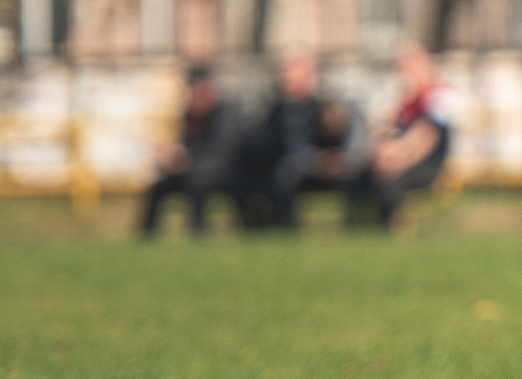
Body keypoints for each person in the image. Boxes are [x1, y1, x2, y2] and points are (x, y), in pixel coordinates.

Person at [237, 54, 369, 229]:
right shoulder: (276, 112)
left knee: (356, 176)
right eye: (289, 81)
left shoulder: (328, 107)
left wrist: (340, 160)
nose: (293, 87)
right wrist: (318, 161)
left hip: (333, 167)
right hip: (298, 169)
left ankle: (359, 225)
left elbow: (351, 143)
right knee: (284, 175)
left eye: (298, 81)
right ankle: (282, 226)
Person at [353, 43, 453, 229]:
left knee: (389, 181)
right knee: (355, 177)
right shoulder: (400, 99)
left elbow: (425, 138)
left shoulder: (439, 96)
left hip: (427, 164)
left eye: (410, 66)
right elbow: (382, 130)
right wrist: (380, 154)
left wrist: (395, 160)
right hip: (395, 158)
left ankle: (390, 228)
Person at [138, 65, 240, 238]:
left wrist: (184, 156)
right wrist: (170, 158)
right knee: (159, 187)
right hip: (191, 172)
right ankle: (146, 235)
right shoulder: (188, 116)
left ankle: (198, 231)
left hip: (220, 175)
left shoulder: (224, 116)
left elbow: (220, 153)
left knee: (196, 183)